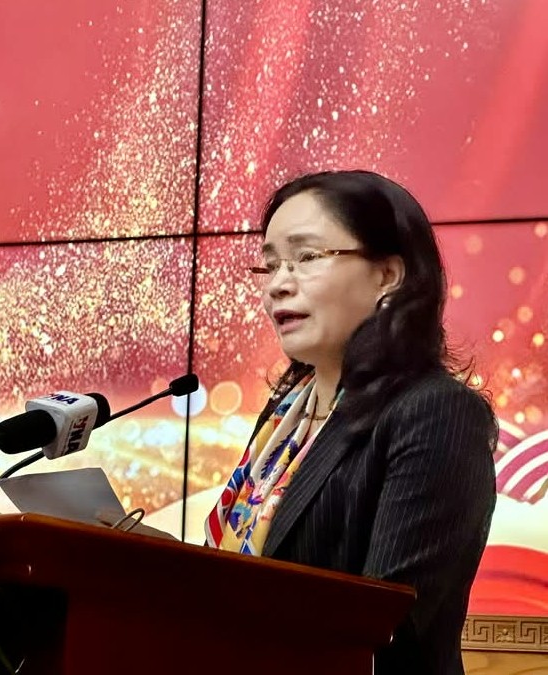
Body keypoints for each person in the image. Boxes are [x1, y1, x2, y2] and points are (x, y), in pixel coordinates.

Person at [204, 170, 497, 675]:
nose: (277, 285)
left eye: (306, 258)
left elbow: (386, 628)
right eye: (270, 265)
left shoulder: (434, 412)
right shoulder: (286, 418)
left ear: (388, 275)